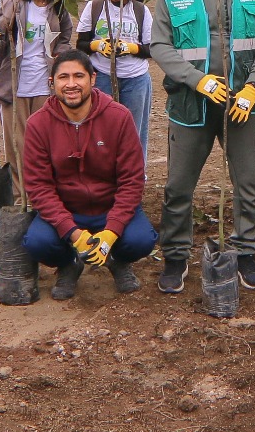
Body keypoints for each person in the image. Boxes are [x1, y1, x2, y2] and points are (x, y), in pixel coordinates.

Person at [149, 0, 255, 295]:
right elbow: (160, 45)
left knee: (249, 183)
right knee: (178, 186)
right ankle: (175, 255)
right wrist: (197, 80)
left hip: (241, 103)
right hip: (192, 105)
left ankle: (245, 250)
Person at [22, 49, 157, 298]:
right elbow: (39, 187)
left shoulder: (119, 117)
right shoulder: (38, 124)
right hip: (67, 208)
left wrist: (112, 230)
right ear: (52, 83)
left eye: (78, 76)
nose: (71, 84)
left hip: (110, 207)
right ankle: (69, 264)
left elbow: (132, 180)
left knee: (142, 240)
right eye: (63, 77)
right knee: (37, 243)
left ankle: (116, 258)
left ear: (93, 79)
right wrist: (73, 232)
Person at [0, 0, 74, 200]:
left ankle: (44, 198)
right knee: (17, 146)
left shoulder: (58, 7)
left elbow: (66, 37)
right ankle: (21, 200)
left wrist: (61, 53)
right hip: (14, 87)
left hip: (44, 86)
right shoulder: (13, 3)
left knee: (44, 144)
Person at [75, 0, 154, 158]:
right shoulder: (95, 7)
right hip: (101, 76)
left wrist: (130, 48)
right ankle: (102, 174)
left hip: (135, 78)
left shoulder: (140, 11)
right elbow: (81, 43)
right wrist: (97, 45)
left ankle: (135, 175)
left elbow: (151, 48)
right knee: (100, 128)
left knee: (135, 129)